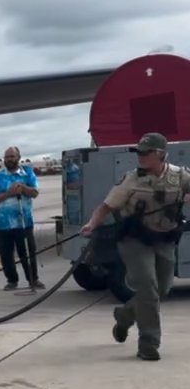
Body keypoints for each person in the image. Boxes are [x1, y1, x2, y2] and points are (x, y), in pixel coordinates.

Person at [81, 132, 190, 361]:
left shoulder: (180, 176)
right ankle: (148, 343)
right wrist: (91, 224)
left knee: (162, 290)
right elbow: (105, 207)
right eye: (138, 152)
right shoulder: (131, 179)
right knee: (148, 290)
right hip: (135, 240)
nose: (139, 156)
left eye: (145, 152)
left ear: (160, 154)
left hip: (164, 238)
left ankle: (125, 315)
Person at [0, 146, 45, 290]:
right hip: (2, 224)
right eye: (7, 157)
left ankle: (33, 279)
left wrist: (23, 188)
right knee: (6, 255)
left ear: (18, 157)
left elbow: (35, 193)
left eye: (12, 157)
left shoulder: (27, 174)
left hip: (23, 222)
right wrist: (8, 193)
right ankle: (12, 280)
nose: (9, 160)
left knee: (27, 252)